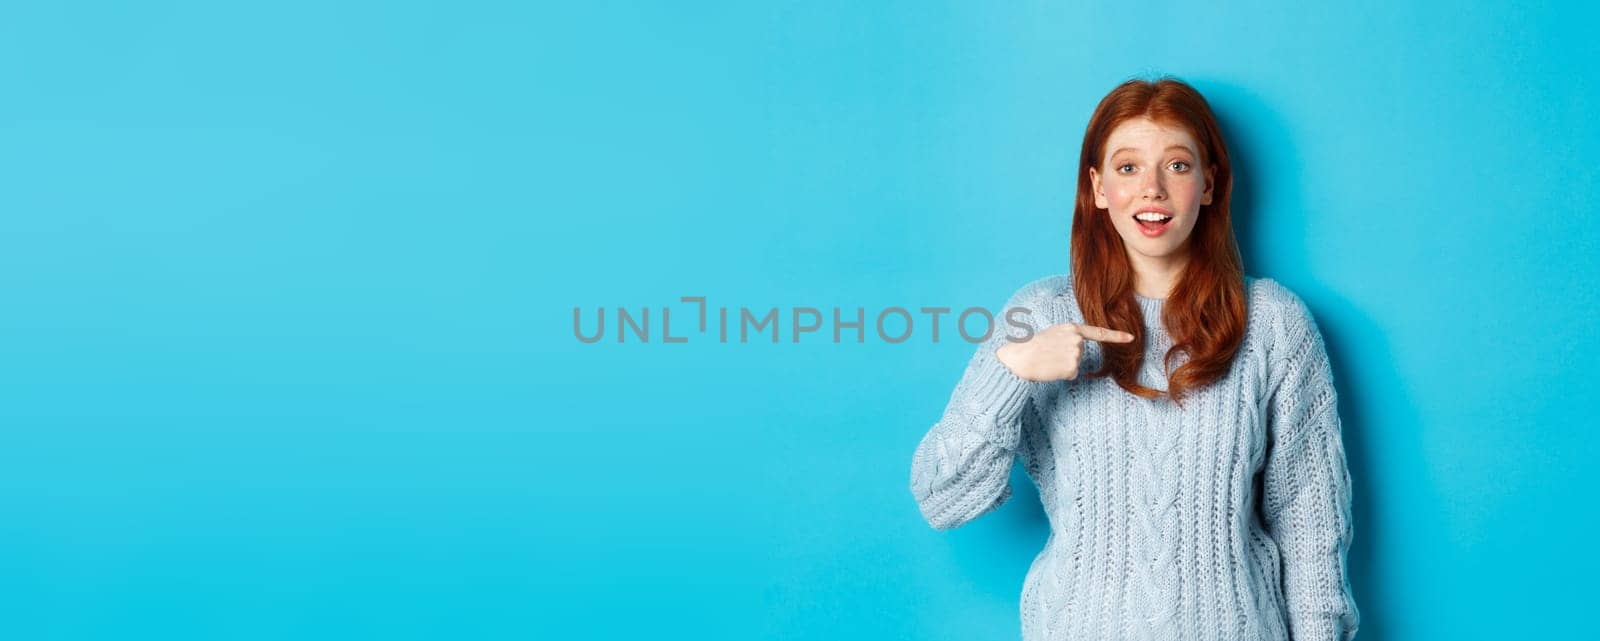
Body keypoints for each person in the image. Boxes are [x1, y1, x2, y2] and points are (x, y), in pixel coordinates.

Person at [908, 76, 1360, 641]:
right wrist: (1011, 372)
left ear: (1210, 183)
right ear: (1097, 188)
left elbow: (1310, 523)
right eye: (1127, 168)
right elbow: (940, 497)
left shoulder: (1273, 323)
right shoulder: (1039, 313)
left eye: (1176, 165)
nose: (1152, 189)